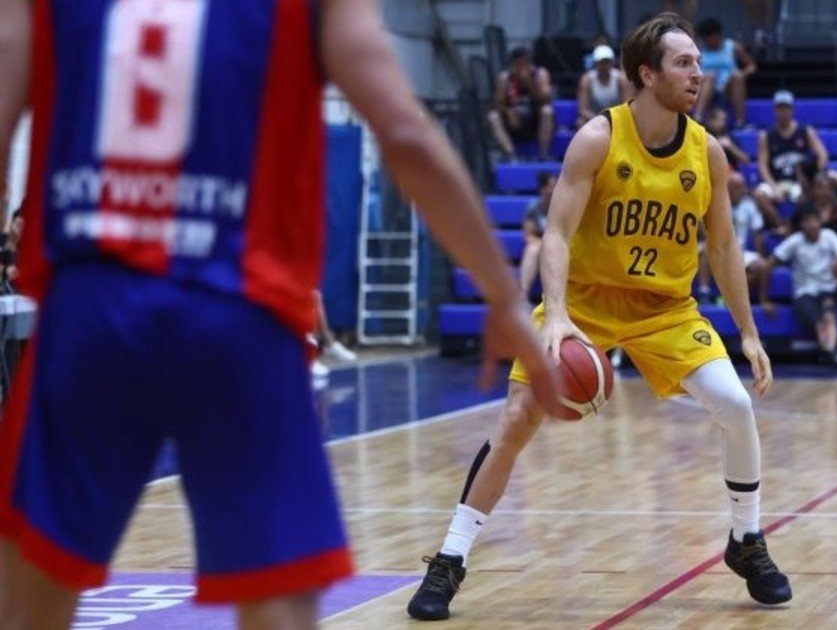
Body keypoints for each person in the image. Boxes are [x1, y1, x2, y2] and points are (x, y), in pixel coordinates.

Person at [0, 1, 560, 628]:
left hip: (89, 313)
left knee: (30, 597)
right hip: (239, 315)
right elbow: (407, 136)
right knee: (276, 607)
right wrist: (502, 297)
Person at [406, 13, 790, 621]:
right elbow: (556, 234)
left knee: (736, 405)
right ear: (647, 74)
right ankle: (450, 558)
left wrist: (747, 331)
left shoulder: (707, 153)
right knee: (517, 419)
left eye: (697, 62)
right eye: (684, 63)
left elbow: (721, 247)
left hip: (665, 309)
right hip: (584, 300)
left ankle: (746, 541)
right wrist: (557, 315)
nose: (698, 73)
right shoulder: (598, 138)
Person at [761, 208, 837, 367]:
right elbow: (769, 264)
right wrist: (764, 299)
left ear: (820, 222)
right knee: (819, 323)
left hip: (828, 289)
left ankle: (829, 351)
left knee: (829, 317)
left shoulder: (829, 236)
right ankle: (831, 353)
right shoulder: (795, 241)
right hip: (804, 292)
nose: (811, 225)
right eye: (807, 221)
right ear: (802, 224)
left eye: (814, 220)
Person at [754, 89, 828, 229]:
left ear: (792, 109)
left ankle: (796, 228)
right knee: (759, 194)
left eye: (786, 108)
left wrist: (816, 176)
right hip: (777, 181)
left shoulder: (805, 131)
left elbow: (822, 155)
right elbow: (762, 165)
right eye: (780, 108)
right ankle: (781, 225)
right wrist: (773, 186)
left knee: (806, 195)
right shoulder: (766, 136)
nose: (783, 112)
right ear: (775, 110)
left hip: (799, 182)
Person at [696, 171, 768, 303]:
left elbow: (757, 233)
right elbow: (702, 229)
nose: (742, 191)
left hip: (739, 251)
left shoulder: (750, 206)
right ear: (727, 188)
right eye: (737, 188)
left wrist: (760, 254)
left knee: (761, 266)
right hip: (715, 246)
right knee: (706, 248)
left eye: (743, 187)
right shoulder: (714, 202)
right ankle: (704, 292)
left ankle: (729, 296)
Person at [487, 47, 555, 161]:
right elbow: (498, 104)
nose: (522, 68)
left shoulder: (540, 74)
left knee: (547, 111)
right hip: (514, 121)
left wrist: (530, 85)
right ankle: (511, 155)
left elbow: (546, 99)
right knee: (493, 117)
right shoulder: (505, 78)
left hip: (535, 120)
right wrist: (507, 112)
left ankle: (543, 154)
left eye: (525, 64)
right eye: (518, 65)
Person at [694, 18, 757, 127]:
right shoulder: (699, 49)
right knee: (710, 76)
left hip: (727, 87)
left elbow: (752, 66)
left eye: (708, 38)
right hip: (705, 86)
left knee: (737, 77)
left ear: (717, 35)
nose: (707, 41)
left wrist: (742, 74)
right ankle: (697, 117)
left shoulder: (733, 47)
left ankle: (740, 121)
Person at [520, 172, 556, 299]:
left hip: (560, 247)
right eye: (549, 186)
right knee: (532, 250)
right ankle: (522, 295)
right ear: (542, 189)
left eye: (555, 186)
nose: (552, 190)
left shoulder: (563, 207)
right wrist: (544, 244)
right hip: (540, 246)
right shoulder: (533, 208)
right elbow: (528, 236)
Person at [575, 45, 631, 128]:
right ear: (595, 63)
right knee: (580, 122)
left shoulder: (620, 79)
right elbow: (583, 109)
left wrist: (614, 119)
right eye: (601, 62)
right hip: (593, 117)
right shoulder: (587, 80)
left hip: (616, 117)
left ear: (612, 62)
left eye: (607, 61)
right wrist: (599, 120)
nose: (604, 65)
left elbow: (626, 105)